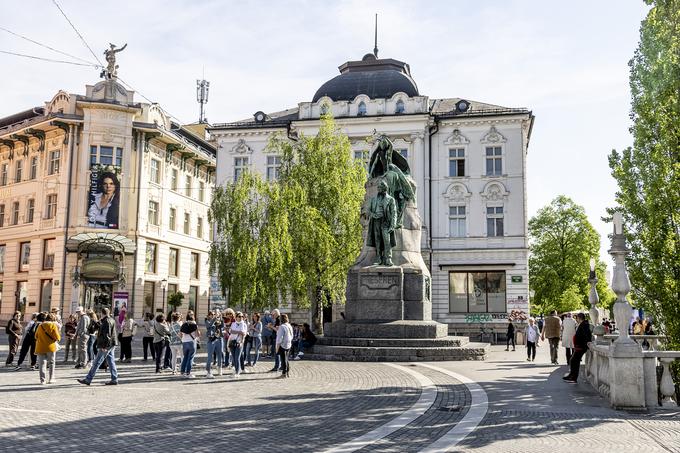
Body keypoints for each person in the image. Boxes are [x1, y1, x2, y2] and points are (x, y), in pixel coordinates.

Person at [78, 307, 119, 386]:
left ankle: (88, 379)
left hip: (106, 345)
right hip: (111, 344)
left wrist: (104, 346)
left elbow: (107, 335)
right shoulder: (110, 320)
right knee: (111, 362)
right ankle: (114, 379)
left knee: (97, 362)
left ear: (102, 313)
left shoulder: (106, 321)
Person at [367, 179, 397, 266]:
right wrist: (373, 215)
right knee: (377, 240)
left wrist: (393, 224)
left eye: (380, 187)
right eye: (378, 187)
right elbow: (368, 210)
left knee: (387, 240)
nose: (378, 189)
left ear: (385, 188)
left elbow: (394, 212)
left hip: (385, 222)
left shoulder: (390, 199)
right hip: (376, 221)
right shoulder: (373, 199)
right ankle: (379, 258)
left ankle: (388, 258)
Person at [563, 313, 592, 383]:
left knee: (574, 361)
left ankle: (573, 377)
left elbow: (587, 334)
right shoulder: (583, 324)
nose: (576, 320)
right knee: (573, 360)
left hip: (581, 346)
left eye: (577, 318)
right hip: (579, 346)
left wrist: (588, 341)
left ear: (579, 318)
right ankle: (571, 375)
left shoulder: (584, 324)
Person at [35, 312, 61, 384]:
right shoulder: (53, 325)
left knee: (42, 364)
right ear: (52, 319)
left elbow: (36, 336)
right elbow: (58, 337)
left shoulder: (40, 325)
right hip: (51, 347)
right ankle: (51, 378)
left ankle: (42, 380)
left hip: (40, 347)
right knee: (51, 363)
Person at [227, 312, 248, 377]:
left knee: (237, 358)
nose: (241, 317)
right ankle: (238, 370)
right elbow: (230, 331)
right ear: (236, 317)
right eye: (239, 316)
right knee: (234, 357)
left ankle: (237, 372)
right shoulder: (233, 323)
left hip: (239, 342)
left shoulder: (244, 324)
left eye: (242, 316)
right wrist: (239, 332)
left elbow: (244, 334)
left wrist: (241, 342)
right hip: (232, 342)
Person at [205, 311, 224, 378]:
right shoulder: (207, 321)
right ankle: (208, 371)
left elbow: (222, 326)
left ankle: (219, 368)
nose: (213, 315)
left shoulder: (217, 320)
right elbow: (209, 325)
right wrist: (214, 319)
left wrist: (221, 318)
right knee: (210, 356)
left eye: (214, 314)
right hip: (211, 340)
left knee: (220, 354)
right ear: (209, 315)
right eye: (211, 314)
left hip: (219, 339)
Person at [179, 312, 199, 378]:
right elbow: (197, 335)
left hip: (184, 342)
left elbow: (180, 335)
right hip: (191, 342)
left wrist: (183, 339)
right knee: (190, 358)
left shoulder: (183, 325)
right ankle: (188, 373)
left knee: (185, 357)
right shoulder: (194, 325)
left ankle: (182, 372)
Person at [276, 314, 294, 378]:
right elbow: (292, 335)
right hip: (289, 344)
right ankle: (287, 372)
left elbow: (279, 338)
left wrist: (277, 347)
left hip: (283, 344)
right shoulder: (289, 325)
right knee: (286, 359)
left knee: (283, 359)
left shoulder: (282, 326)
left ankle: (284, 374)